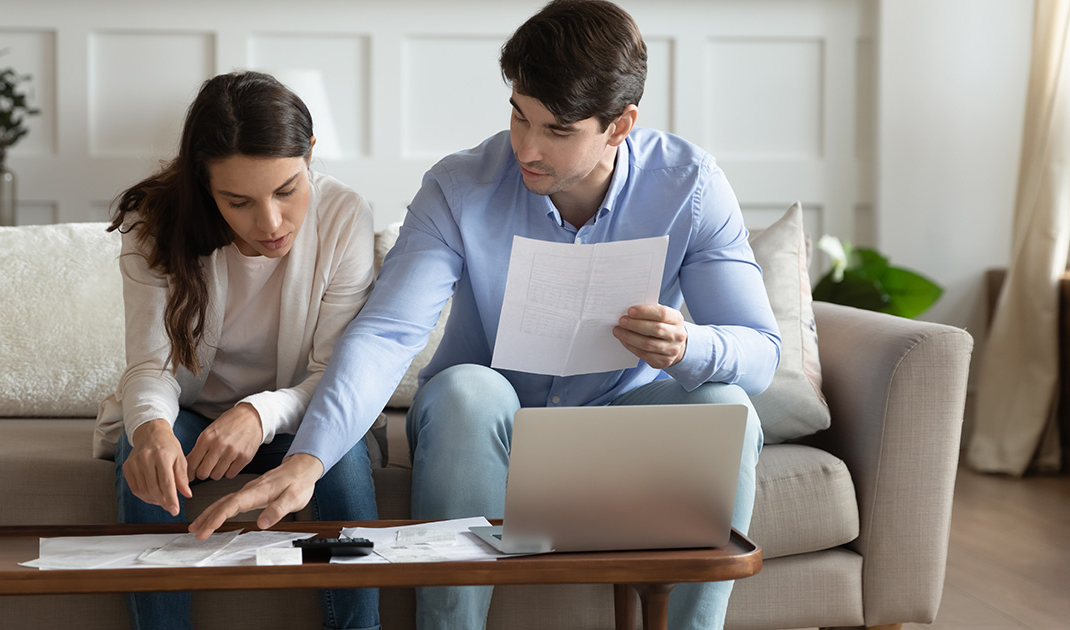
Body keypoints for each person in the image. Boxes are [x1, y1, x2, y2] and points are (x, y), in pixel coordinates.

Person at [192, 1, 780, 628]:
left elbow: (760, 354)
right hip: (482, 431)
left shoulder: (689, 186)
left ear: (619, 125)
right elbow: (388, 332)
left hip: (622, 429)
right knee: (466, 391)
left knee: (729, 409)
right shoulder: (459, 186)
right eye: (519, 116)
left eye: (557, 131)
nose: (526, 147)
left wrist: (689, 345)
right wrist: (305, 461)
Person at [93, 71, 380, 630]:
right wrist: (150, 426)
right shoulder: (153, 224)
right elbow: (152, 368)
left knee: (341, 460)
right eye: (238, 200)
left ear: (310, 155)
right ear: (205, 187)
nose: (270, 223)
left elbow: (337, 375)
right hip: (193, 416)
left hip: (298, 417)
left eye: (287, 190)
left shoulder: (345, 216)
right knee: (145, 451)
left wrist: (258, 413)